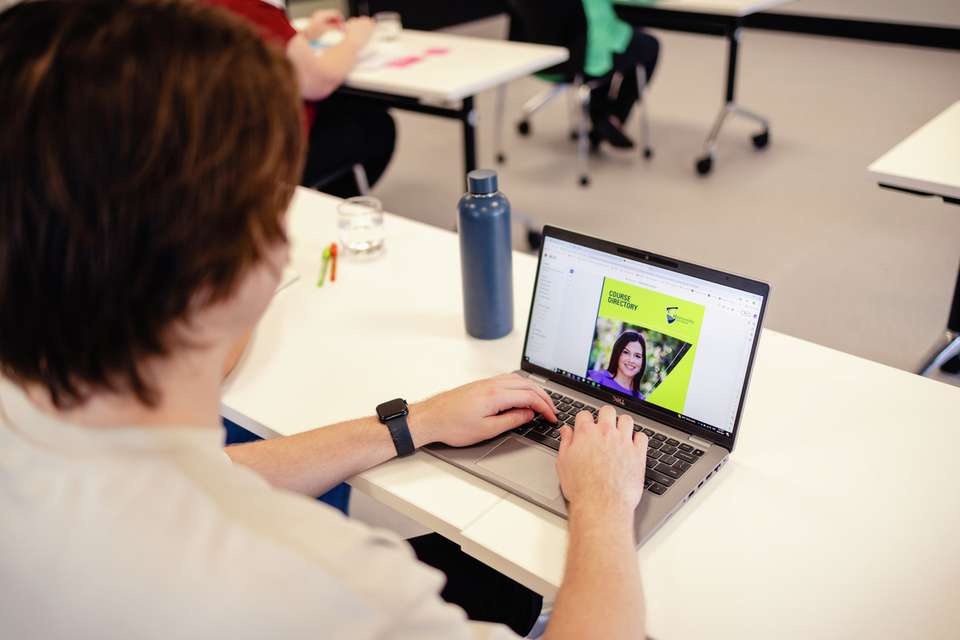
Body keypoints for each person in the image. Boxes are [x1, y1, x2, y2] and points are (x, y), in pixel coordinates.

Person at [0, 2, 649, 639]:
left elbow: (192, 477)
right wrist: (602, 504)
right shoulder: (325, 585)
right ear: (226, 269)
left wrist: (413, 423)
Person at [205, 0, 395, 197]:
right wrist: (353, 41)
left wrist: (304, 35)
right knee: (376, 125)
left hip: (220, 143)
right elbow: (319, 81)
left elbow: (259, 47)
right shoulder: (256, 9)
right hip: (267, 149)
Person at [583, 0, 660, 150]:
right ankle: (614, 117)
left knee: (625, 42)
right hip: (594, 51)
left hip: (553, 53)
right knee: (648, 47)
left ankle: (601, 118)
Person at [588, 331, 647, 398]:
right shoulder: (596, 378)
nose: (631, 360)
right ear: (617, 353)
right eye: (626, 352)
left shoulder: (640, 398)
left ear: (643, 361)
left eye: (637, 356)